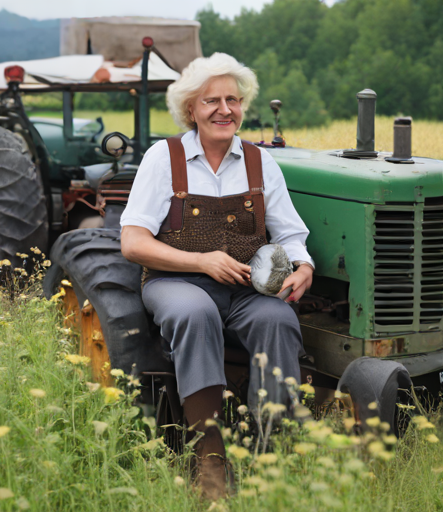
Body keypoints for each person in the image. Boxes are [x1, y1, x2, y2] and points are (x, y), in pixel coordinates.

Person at [120, 53, 314, 499]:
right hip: (175, 283)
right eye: (212, 101)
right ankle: (210, 462)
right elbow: (132, 243)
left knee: (278, 321)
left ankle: (269, 455)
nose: (224, 109)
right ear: (191, 109)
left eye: (233, 99)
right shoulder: (164, 157)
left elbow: (290, 233)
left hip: (246, 290)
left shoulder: (259, 162)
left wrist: (303, 266)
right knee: (195, 313)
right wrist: (202, 261)